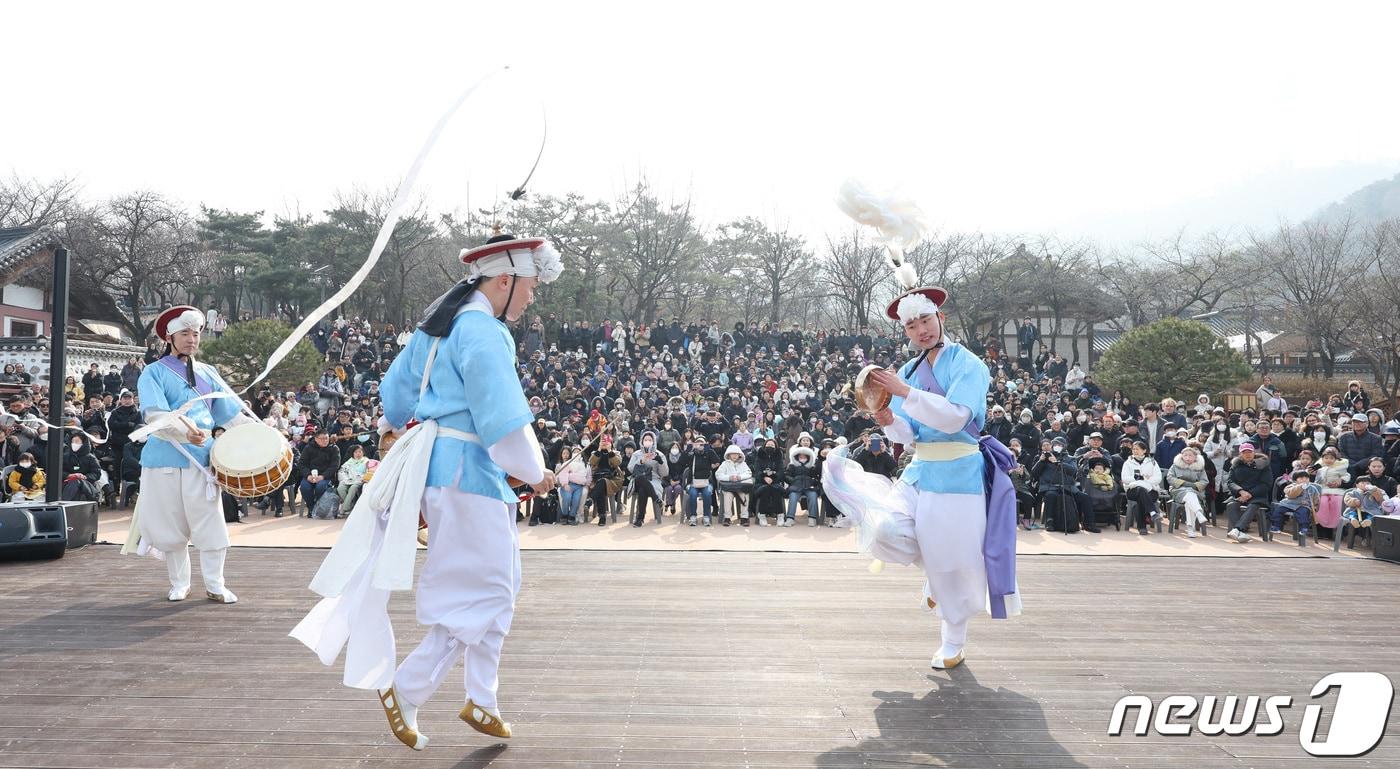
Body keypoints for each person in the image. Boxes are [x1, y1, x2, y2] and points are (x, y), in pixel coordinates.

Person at [293, 231, 561, 749]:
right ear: (504, 280)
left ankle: (483, 698)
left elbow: (394, 396)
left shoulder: (436, 328)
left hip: (446, 468)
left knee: (500, 583)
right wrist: (534, 471)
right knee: (481, 591)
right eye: (528, 286)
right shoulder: (483, 332)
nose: (531, 297)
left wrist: (400, 425)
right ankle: (409, 688)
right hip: (468, 473)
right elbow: (501, 419)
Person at [825, 281, 1020, 672]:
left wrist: (904, 393)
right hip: (919, 470)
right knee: (884, 531)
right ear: (906, 331)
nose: (921, 331)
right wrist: (888, 419)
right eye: (912, 326)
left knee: (955, 564)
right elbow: (907, 435)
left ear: (940, 318)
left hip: (959, 473)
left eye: (926, 321)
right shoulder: (909, 370)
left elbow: (956, 418)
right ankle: (932, 572)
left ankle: (953, 642)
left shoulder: (968, 364)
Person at [131, 305, 251, 603]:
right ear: (170, 337)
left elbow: (230, 415)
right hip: (164, 457)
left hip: (202, 459)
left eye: (196, 333)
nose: (191, 339)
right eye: (184, 333)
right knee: (171, 525)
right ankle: (179, 583)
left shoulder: (209, 372)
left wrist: (260, 435)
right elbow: (156, 415)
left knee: (210, 522)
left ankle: (215, 584)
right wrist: (186, 433)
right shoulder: (153, 372)